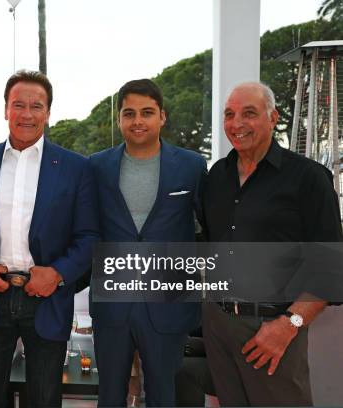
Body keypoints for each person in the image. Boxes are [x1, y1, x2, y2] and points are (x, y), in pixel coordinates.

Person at [0, 70, 100, 408]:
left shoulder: (76, 168)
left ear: (48, 113)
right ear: (5, 109)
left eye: (37, 106)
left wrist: (58, 274)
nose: (27, 114)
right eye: (18, 105)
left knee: (44, 398)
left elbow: (89, 236)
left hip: (46, 297)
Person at [202, 82, 343, 406]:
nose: (236, 124)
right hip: (218, 325)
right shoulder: (216, 178)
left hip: (274, 329)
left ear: (273, 117)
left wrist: (289, 325)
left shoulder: (308, 178)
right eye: (229, 114)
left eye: (249, 113)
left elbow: (331, 268)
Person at [89, 79, 206, 407]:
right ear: (119, 120)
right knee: (109, 394)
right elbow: (88, 227)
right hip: (112, 301)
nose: (138, 120)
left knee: (163, 395)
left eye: (147, 112)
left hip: (168, 304)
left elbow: (207, 230)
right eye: (129, 113)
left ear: (162, 117)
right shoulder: (96, 167)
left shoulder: (192, 166)